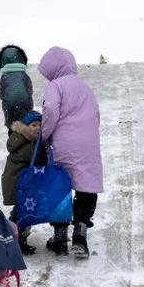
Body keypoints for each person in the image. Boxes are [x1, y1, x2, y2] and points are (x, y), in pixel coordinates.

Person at [38, 46, 103, 259]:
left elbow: (50, 110)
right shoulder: (86, 88)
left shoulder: (55, 86)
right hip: (88, 145)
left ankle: (59, 236)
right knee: (86, 188)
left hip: (63, 144)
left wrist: (44, 134)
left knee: (60, 187)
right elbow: (96, 116)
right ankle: (80, 233)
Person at [1, 111, 47, 255]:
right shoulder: (25, 144)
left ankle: (14, 236)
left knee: (22, 211)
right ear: (25, 127)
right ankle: (15, 239)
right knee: (23, 213)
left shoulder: (26, 140)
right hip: (18, 184)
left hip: (21, 183)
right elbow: (37, 159)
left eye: (40, 125)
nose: (37, 128)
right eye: (33, 125)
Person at [0, 44, 33, 131]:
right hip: (27, 113)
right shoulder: (24, 76)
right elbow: (30, 91)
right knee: (27, 134)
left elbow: (2, 93)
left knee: (14, 134)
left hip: (10, 113)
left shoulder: (4, 77)